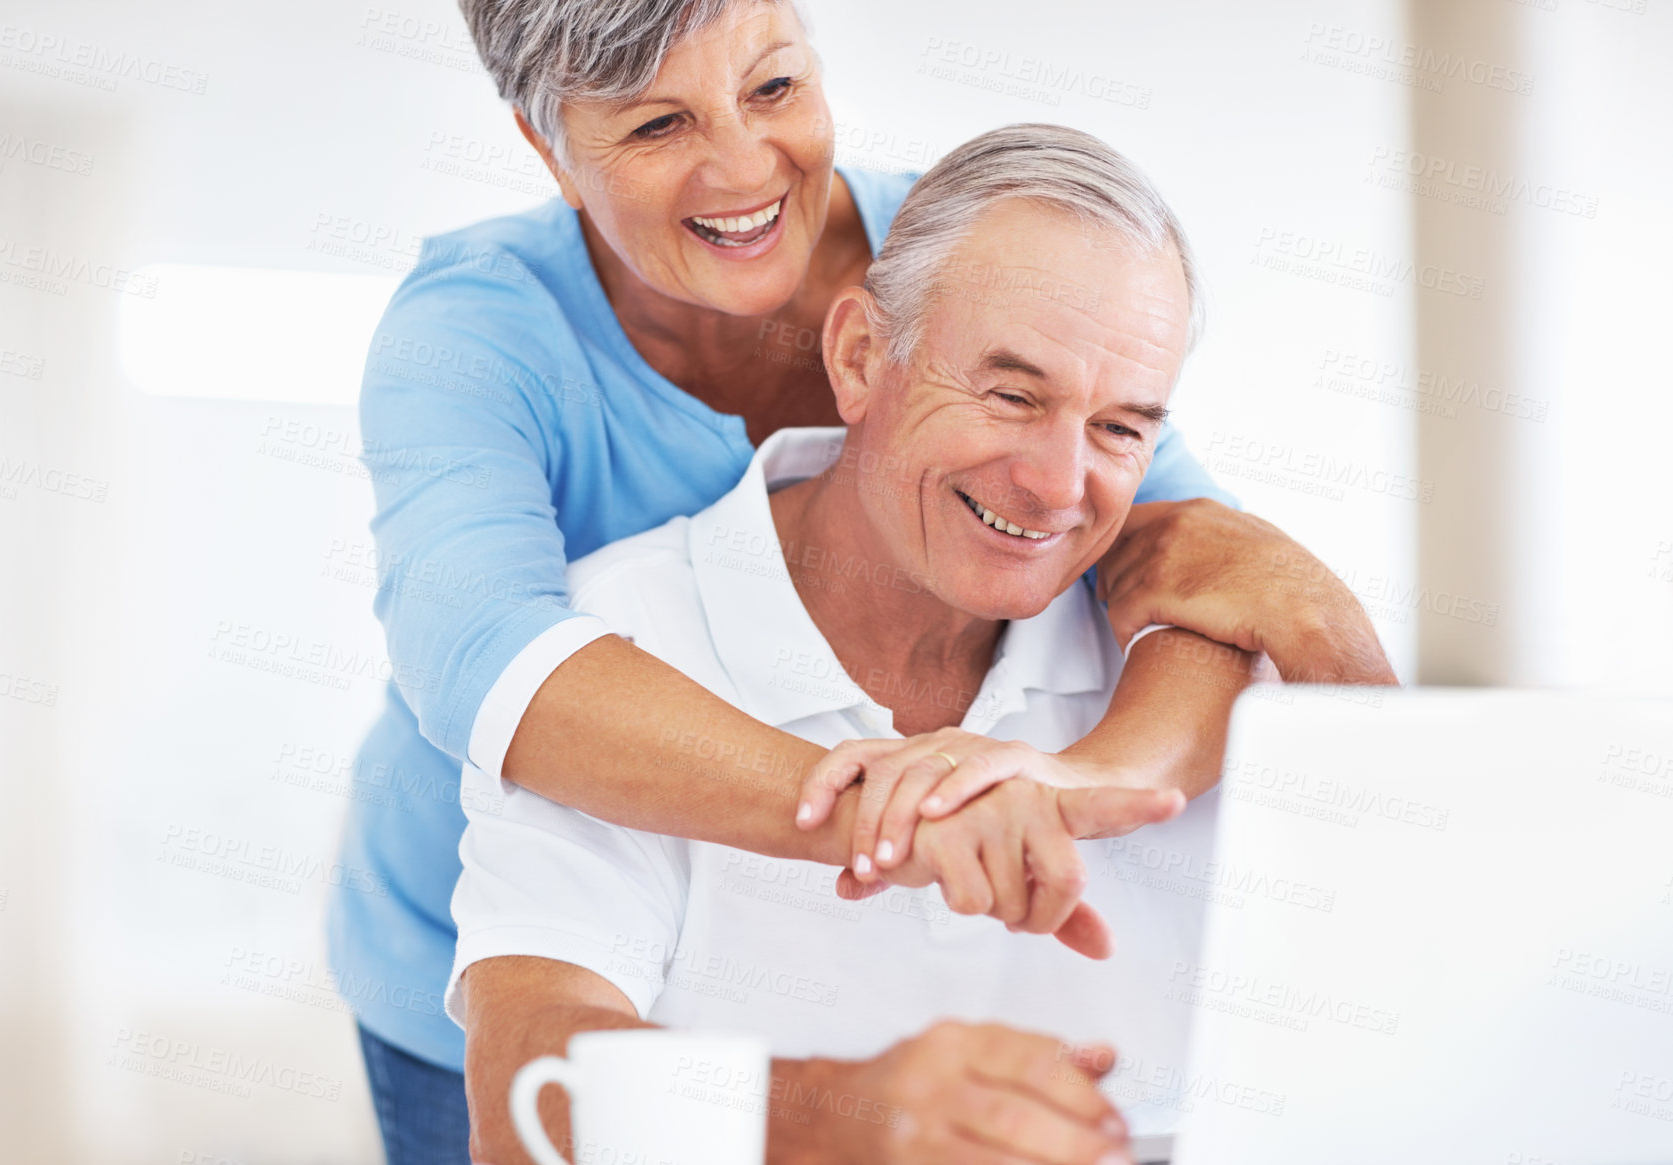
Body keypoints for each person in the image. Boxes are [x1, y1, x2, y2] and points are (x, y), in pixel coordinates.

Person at [330, 1, 1397, 1160]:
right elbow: (482, 662)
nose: (744, 164)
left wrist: (1079, 784)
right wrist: (903, 813)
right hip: (498, 926)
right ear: (550, 148)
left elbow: (1198, 567)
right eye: (654, 126)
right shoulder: (484, 334)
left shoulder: (996, 262)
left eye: (775, 89)